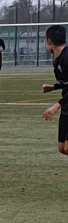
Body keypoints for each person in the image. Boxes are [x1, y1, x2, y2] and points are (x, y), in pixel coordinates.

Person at [41, 24, 68, 158]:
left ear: (49, 41)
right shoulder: (58, 60)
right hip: (67, 105)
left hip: (65, 103)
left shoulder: (67, 58)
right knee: (62, 148)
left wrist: (57, 105)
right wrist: (54, 87)